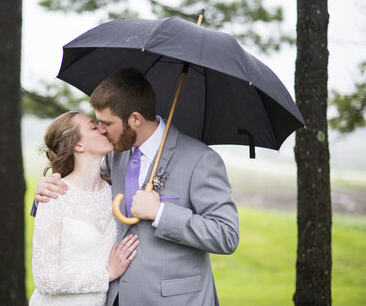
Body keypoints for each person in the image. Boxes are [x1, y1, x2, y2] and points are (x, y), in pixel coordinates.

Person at [32, 68, 239, 306]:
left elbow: (227, 235)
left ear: (135, 119)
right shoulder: (116, 154)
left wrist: (160, 213)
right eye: (97, 123)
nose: (101, 130)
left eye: (107, 123)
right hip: (114, 298)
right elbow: (83, 190)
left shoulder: (200, 160)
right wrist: (46, 191)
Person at [29, 111, 140, 306]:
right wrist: (107, 273)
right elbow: (44, 280)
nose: (102, 129)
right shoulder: (54, 196)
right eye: (93, 127)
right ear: (78, 145)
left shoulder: (114, 194)